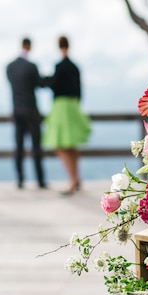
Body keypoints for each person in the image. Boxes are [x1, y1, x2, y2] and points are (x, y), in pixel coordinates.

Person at [42, 36, 91, 195]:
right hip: (73, 106)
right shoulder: (75, 67)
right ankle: (76, 178)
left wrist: (44, 80)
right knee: (71, 145)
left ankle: (72, 179)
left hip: (61, 107)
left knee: (60, 145)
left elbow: (53, 84)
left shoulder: (59, 66)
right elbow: (79, 90)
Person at [6, 37, 46, 189]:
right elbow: (40, 84)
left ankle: (20, 180)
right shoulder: (31, 66)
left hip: (17, 109)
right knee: (36, 146)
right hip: (31, 109)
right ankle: (40, 180)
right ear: (29, 46)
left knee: (19, 146)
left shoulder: (10, 67)